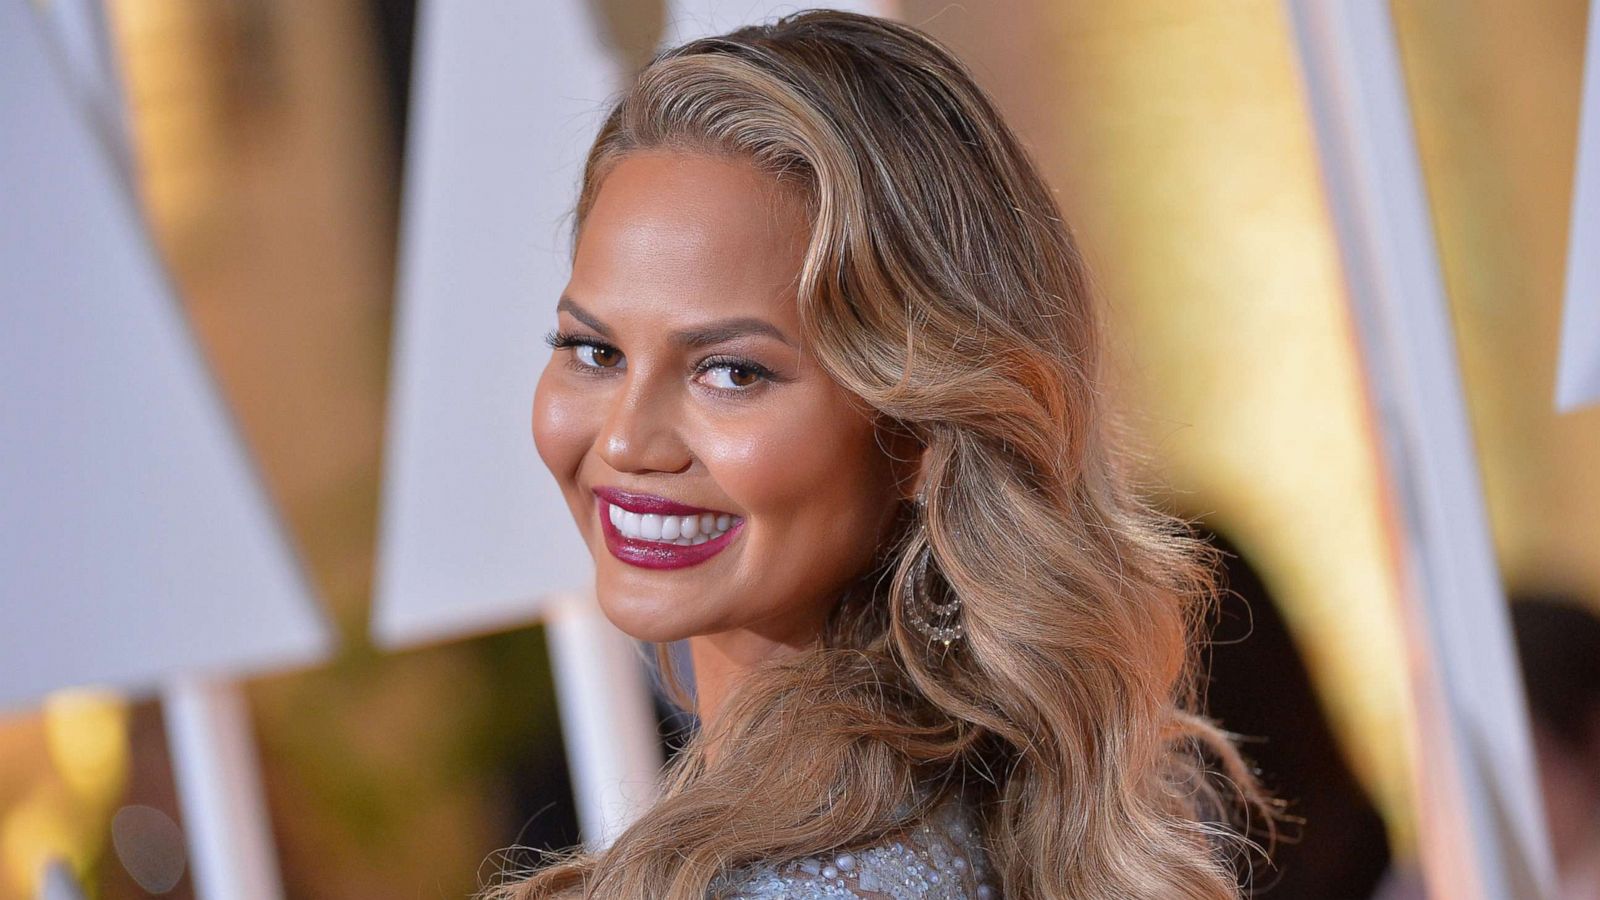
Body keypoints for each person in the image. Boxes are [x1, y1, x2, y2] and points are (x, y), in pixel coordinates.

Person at [492, 9, 1274, 898]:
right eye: (594, 352)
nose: (627, 439)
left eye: (731, 372)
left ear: (918, 430)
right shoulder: (989, 810)